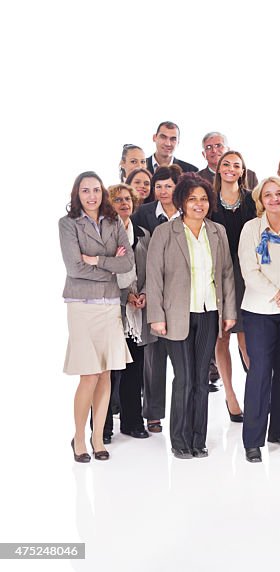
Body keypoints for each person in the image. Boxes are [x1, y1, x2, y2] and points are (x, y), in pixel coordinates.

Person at [147, 175, 236, 459]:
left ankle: (199, 439)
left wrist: (229, 312)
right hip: (176, 315)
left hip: (210, 312)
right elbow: (154, 277)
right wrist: (156, 316)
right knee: (184, 378)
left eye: (204, 199)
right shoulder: (165, 232)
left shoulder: (217, 231)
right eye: (192, 199)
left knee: (200, 378)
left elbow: (226, 274)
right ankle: (179, 440)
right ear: (182, 202)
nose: (199, 204)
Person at [61, 172, 134, 462]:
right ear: (76, 195)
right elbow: (74, 267)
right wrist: (108, 265)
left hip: (109, 305)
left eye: (96, 190)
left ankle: (97, 437)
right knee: (89, 374)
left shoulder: (114, 222)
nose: (91, 196)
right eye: (85, 191)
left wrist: (96, 259)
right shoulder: (68, 224)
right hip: (81, 305)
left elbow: (127, 262)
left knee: (106, 372)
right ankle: (79, 438)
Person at [237, 176, 280, 463]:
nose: (274, 199)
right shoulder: (251, 229)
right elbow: (249, 271)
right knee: (260, 372)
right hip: (260, 311)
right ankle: (253, 440)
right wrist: (278, 294)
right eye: (268, 195)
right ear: (260, 200)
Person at [130, 164, 183, 434]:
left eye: (168, 186)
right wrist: (144, 291)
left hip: (183, 294)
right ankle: (153, 413)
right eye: (158, 186)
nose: (163, 191)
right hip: (152, 291)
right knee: (154, 355)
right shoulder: (144, 214)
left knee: (182, 357)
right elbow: (138, 255)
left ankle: (184, 411)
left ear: (178, 187)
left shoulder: (189, 213)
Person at [210, 150, 256, 423]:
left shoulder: (251, 200)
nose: (230, 169)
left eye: (236, 165)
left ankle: (256, 394)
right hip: (217, 274)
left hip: (247, 274)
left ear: (243, 171)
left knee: (246, 339)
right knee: (222, 336)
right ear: (218, 169)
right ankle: (230, 395)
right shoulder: (210, 200)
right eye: (226, 164)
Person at [105, 184, 151, 441]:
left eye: (128, 199)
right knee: (109, 373)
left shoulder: (143, 235)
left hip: (136, 313)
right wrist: (125, 296)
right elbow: (103, 273)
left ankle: (132, 422)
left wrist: (142, 294)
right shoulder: (103, 234)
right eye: (118, 200)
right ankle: (103, 428)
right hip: (111, 308)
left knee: (135, 370)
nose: (124, 203)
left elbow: (150, 270)